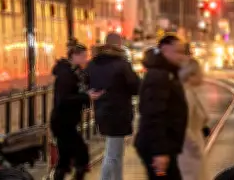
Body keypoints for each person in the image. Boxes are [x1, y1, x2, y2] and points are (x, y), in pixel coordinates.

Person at [86, 33, 140, 180]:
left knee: (115, 152)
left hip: (101, 112)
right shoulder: (122, 64)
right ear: (119, 44)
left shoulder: (93, 63)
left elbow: (87, 84)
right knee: (113, 154)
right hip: (119, 113)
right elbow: (135, 87)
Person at [135, 35, 188, 180]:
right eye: (178, 52)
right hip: (157, 147)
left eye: (183, 52)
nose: (182, 56)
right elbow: (153, 115)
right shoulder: (159, 76)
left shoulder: (167, 73)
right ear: (165, 50)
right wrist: (159, 152)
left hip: (164, 145)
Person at [51, 42, 102, 180]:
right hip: (62, 121)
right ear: (74, 56)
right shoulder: (65, 74)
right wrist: (86, 96)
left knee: (65, 158)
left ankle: (60, 175)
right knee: (81, 154)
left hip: (68, 120)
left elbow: (76, 91)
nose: (86, 59)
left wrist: (87, 94)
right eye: (84, 56)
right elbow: (64, 98)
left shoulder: (75, 71)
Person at [177, 59, 209, 180]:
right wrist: (195, 148)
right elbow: (184, 125)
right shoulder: (187, 95)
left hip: (192, 148)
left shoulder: (190, 92)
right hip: (189, 152)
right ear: (190, 76)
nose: (203, 76)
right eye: (200, 73)